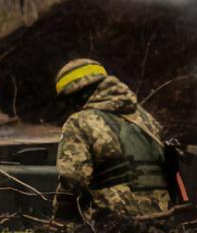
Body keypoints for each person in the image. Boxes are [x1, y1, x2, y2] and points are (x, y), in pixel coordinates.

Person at [51, 58, 171, 220]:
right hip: (162, 216)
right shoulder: (145, 117)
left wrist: (58, 221)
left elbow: (71, 180)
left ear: (80, 94)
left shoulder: (79, 122)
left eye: (71, 100)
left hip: (114, 222)